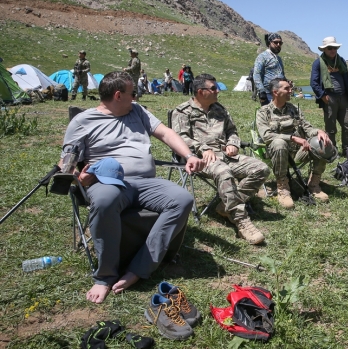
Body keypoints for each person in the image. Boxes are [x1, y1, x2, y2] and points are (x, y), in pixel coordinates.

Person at [60, 71, 204, 304]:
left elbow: (165, 133)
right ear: (118, 95)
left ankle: (139, 269)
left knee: (182, 199)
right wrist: (78, 177)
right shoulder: (83, 121)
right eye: (132, 93)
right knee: (105, 201)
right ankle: (105, 276)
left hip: (146, 182)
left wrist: (188, 154)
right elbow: (66, 161)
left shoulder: (137, 111)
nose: (136, 97)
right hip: (108, 182)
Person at [172, 74, 269, 244]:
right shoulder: (182, 112)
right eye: (214, 88)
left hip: (225, 154)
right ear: (201, 92)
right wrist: (203, 148)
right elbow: (180, 137)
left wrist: (233, 144)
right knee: (224, 172)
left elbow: (232, 131)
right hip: (200, 159)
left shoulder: (219, 109)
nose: (218, 91)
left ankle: (225, 206)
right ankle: (241, 221)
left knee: (261, 168)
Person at [256, 78, 334, 208]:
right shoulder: (263, 112)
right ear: (275, 92)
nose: (290, 91)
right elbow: (266, 136)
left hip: (298, 152)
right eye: (286, 89)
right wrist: (292, 138)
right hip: (277, 154)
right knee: (279, 143)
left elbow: (307, 128)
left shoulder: (294, 109)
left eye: (290, 88)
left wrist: (319, 132)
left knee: (321, 142)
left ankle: (314, 184)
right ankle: (283, 188)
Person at [311, 36, 348, 154]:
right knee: (331, 128)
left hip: (344, 97)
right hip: (329, 98)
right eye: (330, 48)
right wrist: (322, 95)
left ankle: (347, 150)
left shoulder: (341, 61)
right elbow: (313, 82)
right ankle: (332, 150)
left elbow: (347, 78)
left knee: (347, 125)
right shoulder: (318, 63)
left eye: (335, 48)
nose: (332, 50)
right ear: (324, 50)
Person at [253, 33, 286, 106]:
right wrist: (261, 91)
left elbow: (282, 74)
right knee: (269, 116)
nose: (278, 44)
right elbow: (256, 74)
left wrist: (286, 82)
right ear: (269, 43)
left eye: (280, 43)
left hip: (280, 92)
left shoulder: (279, 59)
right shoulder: (262, 57)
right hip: (267, 94)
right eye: (275, 42)